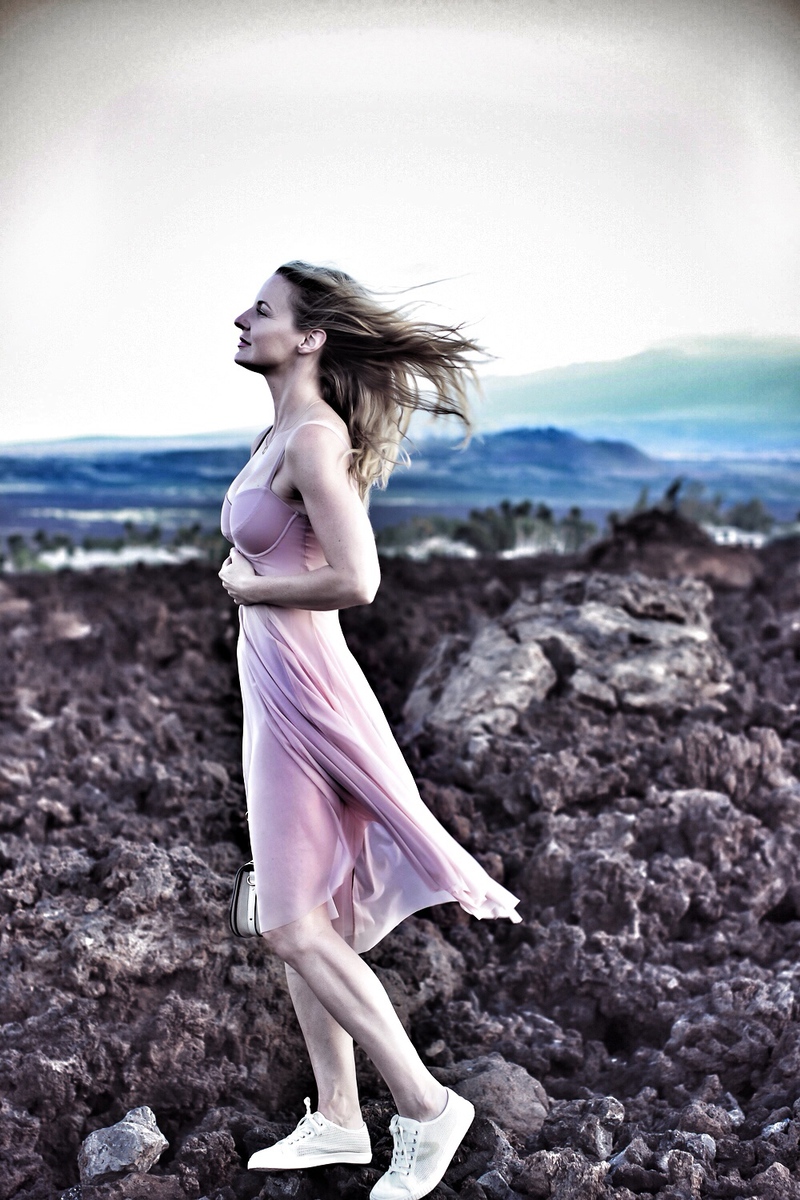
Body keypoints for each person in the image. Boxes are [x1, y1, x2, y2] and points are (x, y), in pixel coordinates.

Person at [218, 261, 521, 1200]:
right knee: (298, 904)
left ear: (308, 337)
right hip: (275, 688)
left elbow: (360, 579)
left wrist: (253, 588)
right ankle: (339, 1121)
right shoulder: (279, 429)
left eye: (261, 309)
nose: (241, 316)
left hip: (309, 689)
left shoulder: (312, 438)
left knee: (291, 923)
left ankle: (428, 1111)